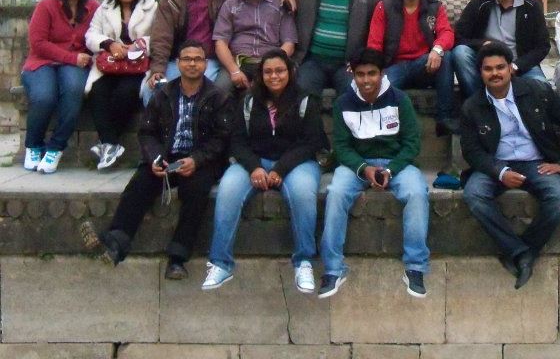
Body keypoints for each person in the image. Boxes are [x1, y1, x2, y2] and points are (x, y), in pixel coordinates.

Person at [80, 41, 232, 279]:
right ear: (178, 63)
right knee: (141, 182)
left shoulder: (218, 97)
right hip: (167, 156)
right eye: (187, 59)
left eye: (198, 59)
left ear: (205, 64)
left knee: (196, 191)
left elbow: (222, 138)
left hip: (200, 161)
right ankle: (115, 243)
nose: (192, 64)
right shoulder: (163, 94)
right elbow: (147, 132)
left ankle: (177, 258)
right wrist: (155, 157)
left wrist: (196, 159)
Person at [460, 41, 560, 289]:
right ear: (480, 72)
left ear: (510, 68)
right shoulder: (472, 106)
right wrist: (500, 172)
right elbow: (472, 151)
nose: (495, 73)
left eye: (500, 67)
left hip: (537, 162)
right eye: (488, 69)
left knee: (559, 199)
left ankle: (523, 250)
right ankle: (521, 252)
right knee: (474, 195)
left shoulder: (536, 91)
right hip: (496, 165)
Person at [202, 49, 327, 293]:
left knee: (303, 194)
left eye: (279, 71)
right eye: (268, 72)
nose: (274, 76)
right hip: (255, 161)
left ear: (290, 72)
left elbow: (312, 142)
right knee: (227, 191)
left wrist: (281, 168)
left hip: (296, 163)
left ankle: (303, 261)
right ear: (260, 75)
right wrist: (254, 167)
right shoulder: (248, 101)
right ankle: (221, 263)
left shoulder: (306, 100)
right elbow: (237, 141)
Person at [319, 49, 430, 298]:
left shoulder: (399, 99)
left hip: (396, 163)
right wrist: (363, 168)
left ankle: (415, 267)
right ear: (353, 75)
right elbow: (342, 147)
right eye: (360, 74)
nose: (366, 80)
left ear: (381, 74)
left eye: (372, 73)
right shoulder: (343, 103)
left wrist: (391, 169)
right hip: (357, 164)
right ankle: (333, 269)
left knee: (417, 192)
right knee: (336, 193)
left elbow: (412, 143)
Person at [270, 0, 381, 97]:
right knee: (302, 92)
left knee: (352, 95)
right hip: (313, 62)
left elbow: (376, 31)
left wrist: (364, 60)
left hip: (348, 65)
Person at [21, 0, 99, 174]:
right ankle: (33, 145)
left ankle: (55, 147)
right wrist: (71, 57)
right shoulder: (46, 6)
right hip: (42, 62)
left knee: (73, 91)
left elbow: (97, 36)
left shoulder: (94, 8)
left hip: (76, 65)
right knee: (44, 96)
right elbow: (38, 43)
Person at [143, 0, 243, 104]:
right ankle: (159, 121)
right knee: (149, 89)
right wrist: (157, 70)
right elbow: (161, 39)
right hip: (180, 60)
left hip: (210, 60)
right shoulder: (170, 1)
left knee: (198, 90)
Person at [367, 0, 457, 134]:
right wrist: (375, 70)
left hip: (424, 64)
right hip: (394, 66)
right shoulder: (384, 7)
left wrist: (437, 49)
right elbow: (374, 43)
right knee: (376, 93)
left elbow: (446, 33)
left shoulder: (434, 6)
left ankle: (444, 118)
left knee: (446, 56)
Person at [84, 0, 158, 170]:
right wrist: (109, 44)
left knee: (126, 93)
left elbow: (159, 35)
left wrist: (138, 45)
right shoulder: (104, 8)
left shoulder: (152, 6)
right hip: (110, 65)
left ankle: (107, 144)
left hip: (136, 66)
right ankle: (111, 145)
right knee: (97, 91)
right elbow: (91, 35)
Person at [453, 0, 551, 100]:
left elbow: (543, 46)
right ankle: (480, 104)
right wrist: (482, 44)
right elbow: (459, 36)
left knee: (542, 89)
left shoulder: (531, 6)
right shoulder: (479, 4)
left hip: (521, 66)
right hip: (486, 66)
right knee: (460, 52)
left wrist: (517, 66)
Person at [213, 0, 297, 95]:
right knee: (219, 91)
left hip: (271, 64)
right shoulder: (230, 5)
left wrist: (271, 67)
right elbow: (220, 43)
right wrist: (234, 71)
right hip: (237, 63)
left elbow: (289, 43)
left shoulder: (280, 5)